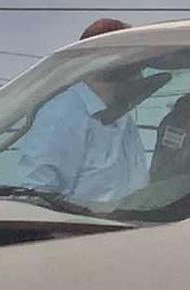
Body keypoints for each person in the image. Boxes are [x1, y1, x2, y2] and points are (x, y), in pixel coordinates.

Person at [15, 19, 148, 203]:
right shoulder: (63, 112)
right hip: (80, 228)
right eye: (133, 59)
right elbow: (39, 192)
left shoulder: (121, 115)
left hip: (138, 225)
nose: (140, 68)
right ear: (110, 61)